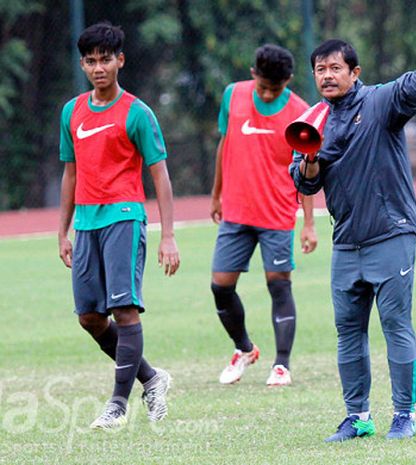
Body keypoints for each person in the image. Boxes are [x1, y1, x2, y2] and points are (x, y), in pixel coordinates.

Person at [290, 35, 416, 441]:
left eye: (335, 68)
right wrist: (310, 159)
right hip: (346, 242)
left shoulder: (381, 102)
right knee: (348, 331)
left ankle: (404, 414)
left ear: (354, 72)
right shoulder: (313, 119)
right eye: (320, 70)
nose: (327, 76)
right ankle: (358, 417)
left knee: (395, 324)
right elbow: (306, 184)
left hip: (391, 233)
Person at [58, 22, 180, 429]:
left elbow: (160, 175)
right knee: (90, 317)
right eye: (90, 61)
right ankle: (151, 377)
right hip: (86, 223)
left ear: (120, 61)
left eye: (105, 59)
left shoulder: (137, 113)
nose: (98, 68)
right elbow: (70, 174)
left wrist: (169, 236)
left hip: (125, 218)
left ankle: (117, 404)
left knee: (124, 310)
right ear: (83, 64)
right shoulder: (71, 112)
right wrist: (63, 230)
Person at [210, 44, 317, 387]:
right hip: (236, 211)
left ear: (288, 80)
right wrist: (216, 195)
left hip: (277, 212)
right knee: (220, 287)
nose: (268, 94)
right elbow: (224, 145)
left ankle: (281, 365)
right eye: (263, 87)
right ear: (253, 74)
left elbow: (308, 168)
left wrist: (309, 223)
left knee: (279, 286)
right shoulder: (233, 95)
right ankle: (244, 349)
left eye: (276, 88)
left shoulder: (301, 112)